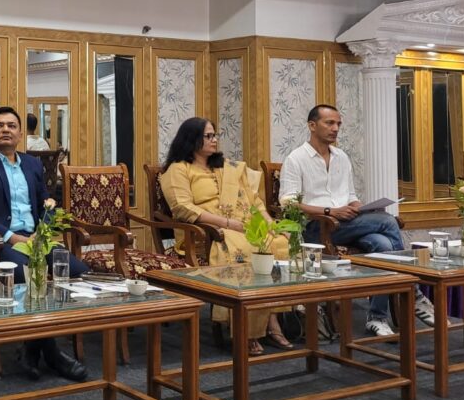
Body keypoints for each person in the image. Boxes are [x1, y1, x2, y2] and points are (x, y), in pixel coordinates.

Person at [280, 104, 435, 337]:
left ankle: (376, 318)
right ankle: (413, 291)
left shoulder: (342, 157)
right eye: (329, 123)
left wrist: (358, 207)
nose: (335, 128)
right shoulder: (296, 159)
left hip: (348, 224)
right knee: (388, 221)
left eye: (338, 124)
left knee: (383, 245)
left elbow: (350, 195)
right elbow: (288, 203)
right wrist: (331, 211)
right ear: (312, 125)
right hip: (317, 229)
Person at [0, 106, 88, 381]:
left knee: (77, 271)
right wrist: (9, 235)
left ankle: (30, 349)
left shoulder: (31, 164)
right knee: (26, 275)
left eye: (11, 125)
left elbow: (46, 203)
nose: (5, 129)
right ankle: (53, 354)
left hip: (35, 239)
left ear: (20, 134)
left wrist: (45, 227)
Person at [161, 117, 292, 355]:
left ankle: (270, 318)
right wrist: (228, 223)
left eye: (215, 135)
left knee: (279, 243)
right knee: (247, 249)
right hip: (208, 234)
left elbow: (255, 202)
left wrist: (272, 225)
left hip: (246, 226)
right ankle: (249, 330)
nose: (214, 140)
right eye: (208, 136)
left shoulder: (229, 168)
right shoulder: (178, 169)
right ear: (192, 139)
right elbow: (182, 208)